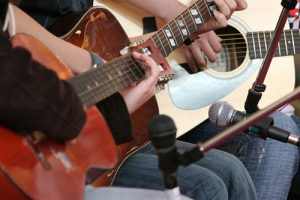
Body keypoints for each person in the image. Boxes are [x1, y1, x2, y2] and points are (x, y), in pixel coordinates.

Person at [9, 0, 261, 199]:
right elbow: (9, 19)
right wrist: (95, 65)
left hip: (90, 116)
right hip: (40, 127)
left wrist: (179, 19)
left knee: (231, 173)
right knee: (207, 186)